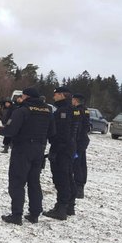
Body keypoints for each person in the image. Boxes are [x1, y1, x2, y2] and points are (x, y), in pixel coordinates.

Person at [0, 87, 55, 225]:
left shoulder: (22, 110)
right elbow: (52, 132)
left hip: (22, 149)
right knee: (34, 182)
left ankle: (16, 215)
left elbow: (11, 130)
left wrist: (1, 130)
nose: (21, 98)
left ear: (26, 96)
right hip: (39, 149)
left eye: (22, 96)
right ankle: (35, 213)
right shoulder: (48, 111)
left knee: (17, 181)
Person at [43, 86, 79, 220]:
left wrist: (55, 148)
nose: (54, 97)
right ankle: (70, 206)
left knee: (61, 178)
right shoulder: (73, 110)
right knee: (69, 176)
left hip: (62, 149)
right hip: (70, 148)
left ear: (62, 95)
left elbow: (61, 133)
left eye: (56, 95)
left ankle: (61, 208)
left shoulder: (63, 111)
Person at [72, 93, 90, 199]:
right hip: (83, 141)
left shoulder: (78, 111)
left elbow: (78, 127)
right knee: (82, 163)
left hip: (78, 142)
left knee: (77, 164)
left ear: (75, 100)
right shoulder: (86, 110)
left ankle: (78, 187)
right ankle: (80, 185)